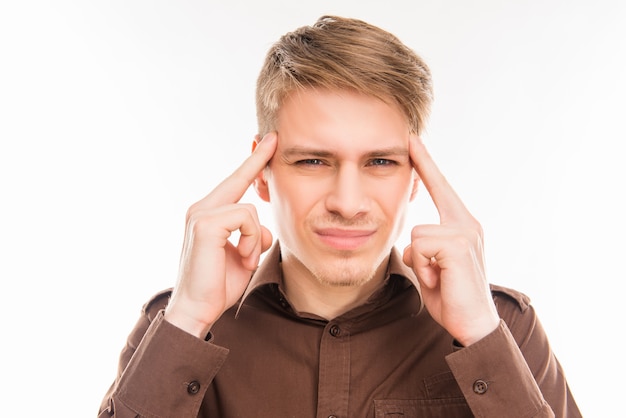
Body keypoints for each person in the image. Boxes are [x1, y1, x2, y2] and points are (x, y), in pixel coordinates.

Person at [99, 15, 581, 417]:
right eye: (312, 161)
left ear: (415, 176)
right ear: (262, 173)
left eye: (380, 162)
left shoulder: (502, 327)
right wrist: (186, 320)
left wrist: (482, 335)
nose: (347, 203)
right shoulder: (175, 326)